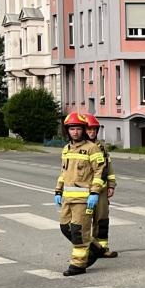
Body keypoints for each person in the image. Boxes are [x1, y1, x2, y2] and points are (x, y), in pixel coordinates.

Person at [55, 110, 106, 275]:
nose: (75, 132)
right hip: (67, 199)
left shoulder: (92, 149)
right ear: (67, 131)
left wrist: (95, 193)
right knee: (65, 228)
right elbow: (64, 172)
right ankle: (96, 248)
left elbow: (100, 172)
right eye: (72, 129)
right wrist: (58, 190)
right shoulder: (66, 149)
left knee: (78, 232)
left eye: (78, 129)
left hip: (84, 199)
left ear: (84, 130)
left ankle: (78, 265)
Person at [82, 112, 118, 259]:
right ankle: (86, 249)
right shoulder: (80, 147)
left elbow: (108, 167)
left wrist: (111, 185)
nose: (91, 132)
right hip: (84, 189)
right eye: (89, 130)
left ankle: (102, 248)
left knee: (102, 219)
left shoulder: (101, 147)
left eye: (94, 130)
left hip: (101, 189)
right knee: (83, 221)